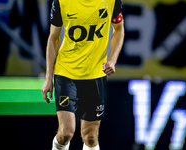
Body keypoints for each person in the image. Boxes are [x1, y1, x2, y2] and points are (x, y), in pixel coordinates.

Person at [41, 0, 124, 149]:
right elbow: (53, 38)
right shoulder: (62, 2)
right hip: (66, 72)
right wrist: (48, 79)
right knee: (66, 132)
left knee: (91, 137)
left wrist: (112, 60)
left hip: (95, 75)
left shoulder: (111, 1)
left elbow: (119, 30)